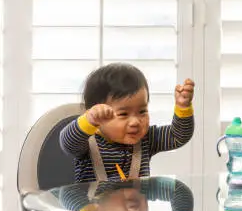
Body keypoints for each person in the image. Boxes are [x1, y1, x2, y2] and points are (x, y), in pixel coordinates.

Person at [60, 62, 195, 183]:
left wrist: (183, 108)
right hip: (94, 210)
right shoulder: (88, 143)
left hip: (136, 209)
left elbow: (178, 136)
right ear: (98, 119)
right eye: (123, 114)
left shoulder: (147, 138)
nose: (135, 122)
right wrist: (87, 120)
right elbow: (68, 143)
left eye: (142, 111)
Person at [58, 176, 194, 211]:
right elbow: (179, 190)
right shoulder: (141, 188)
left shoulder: (92, 192)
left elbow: (67, 191)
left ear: (97, 205)